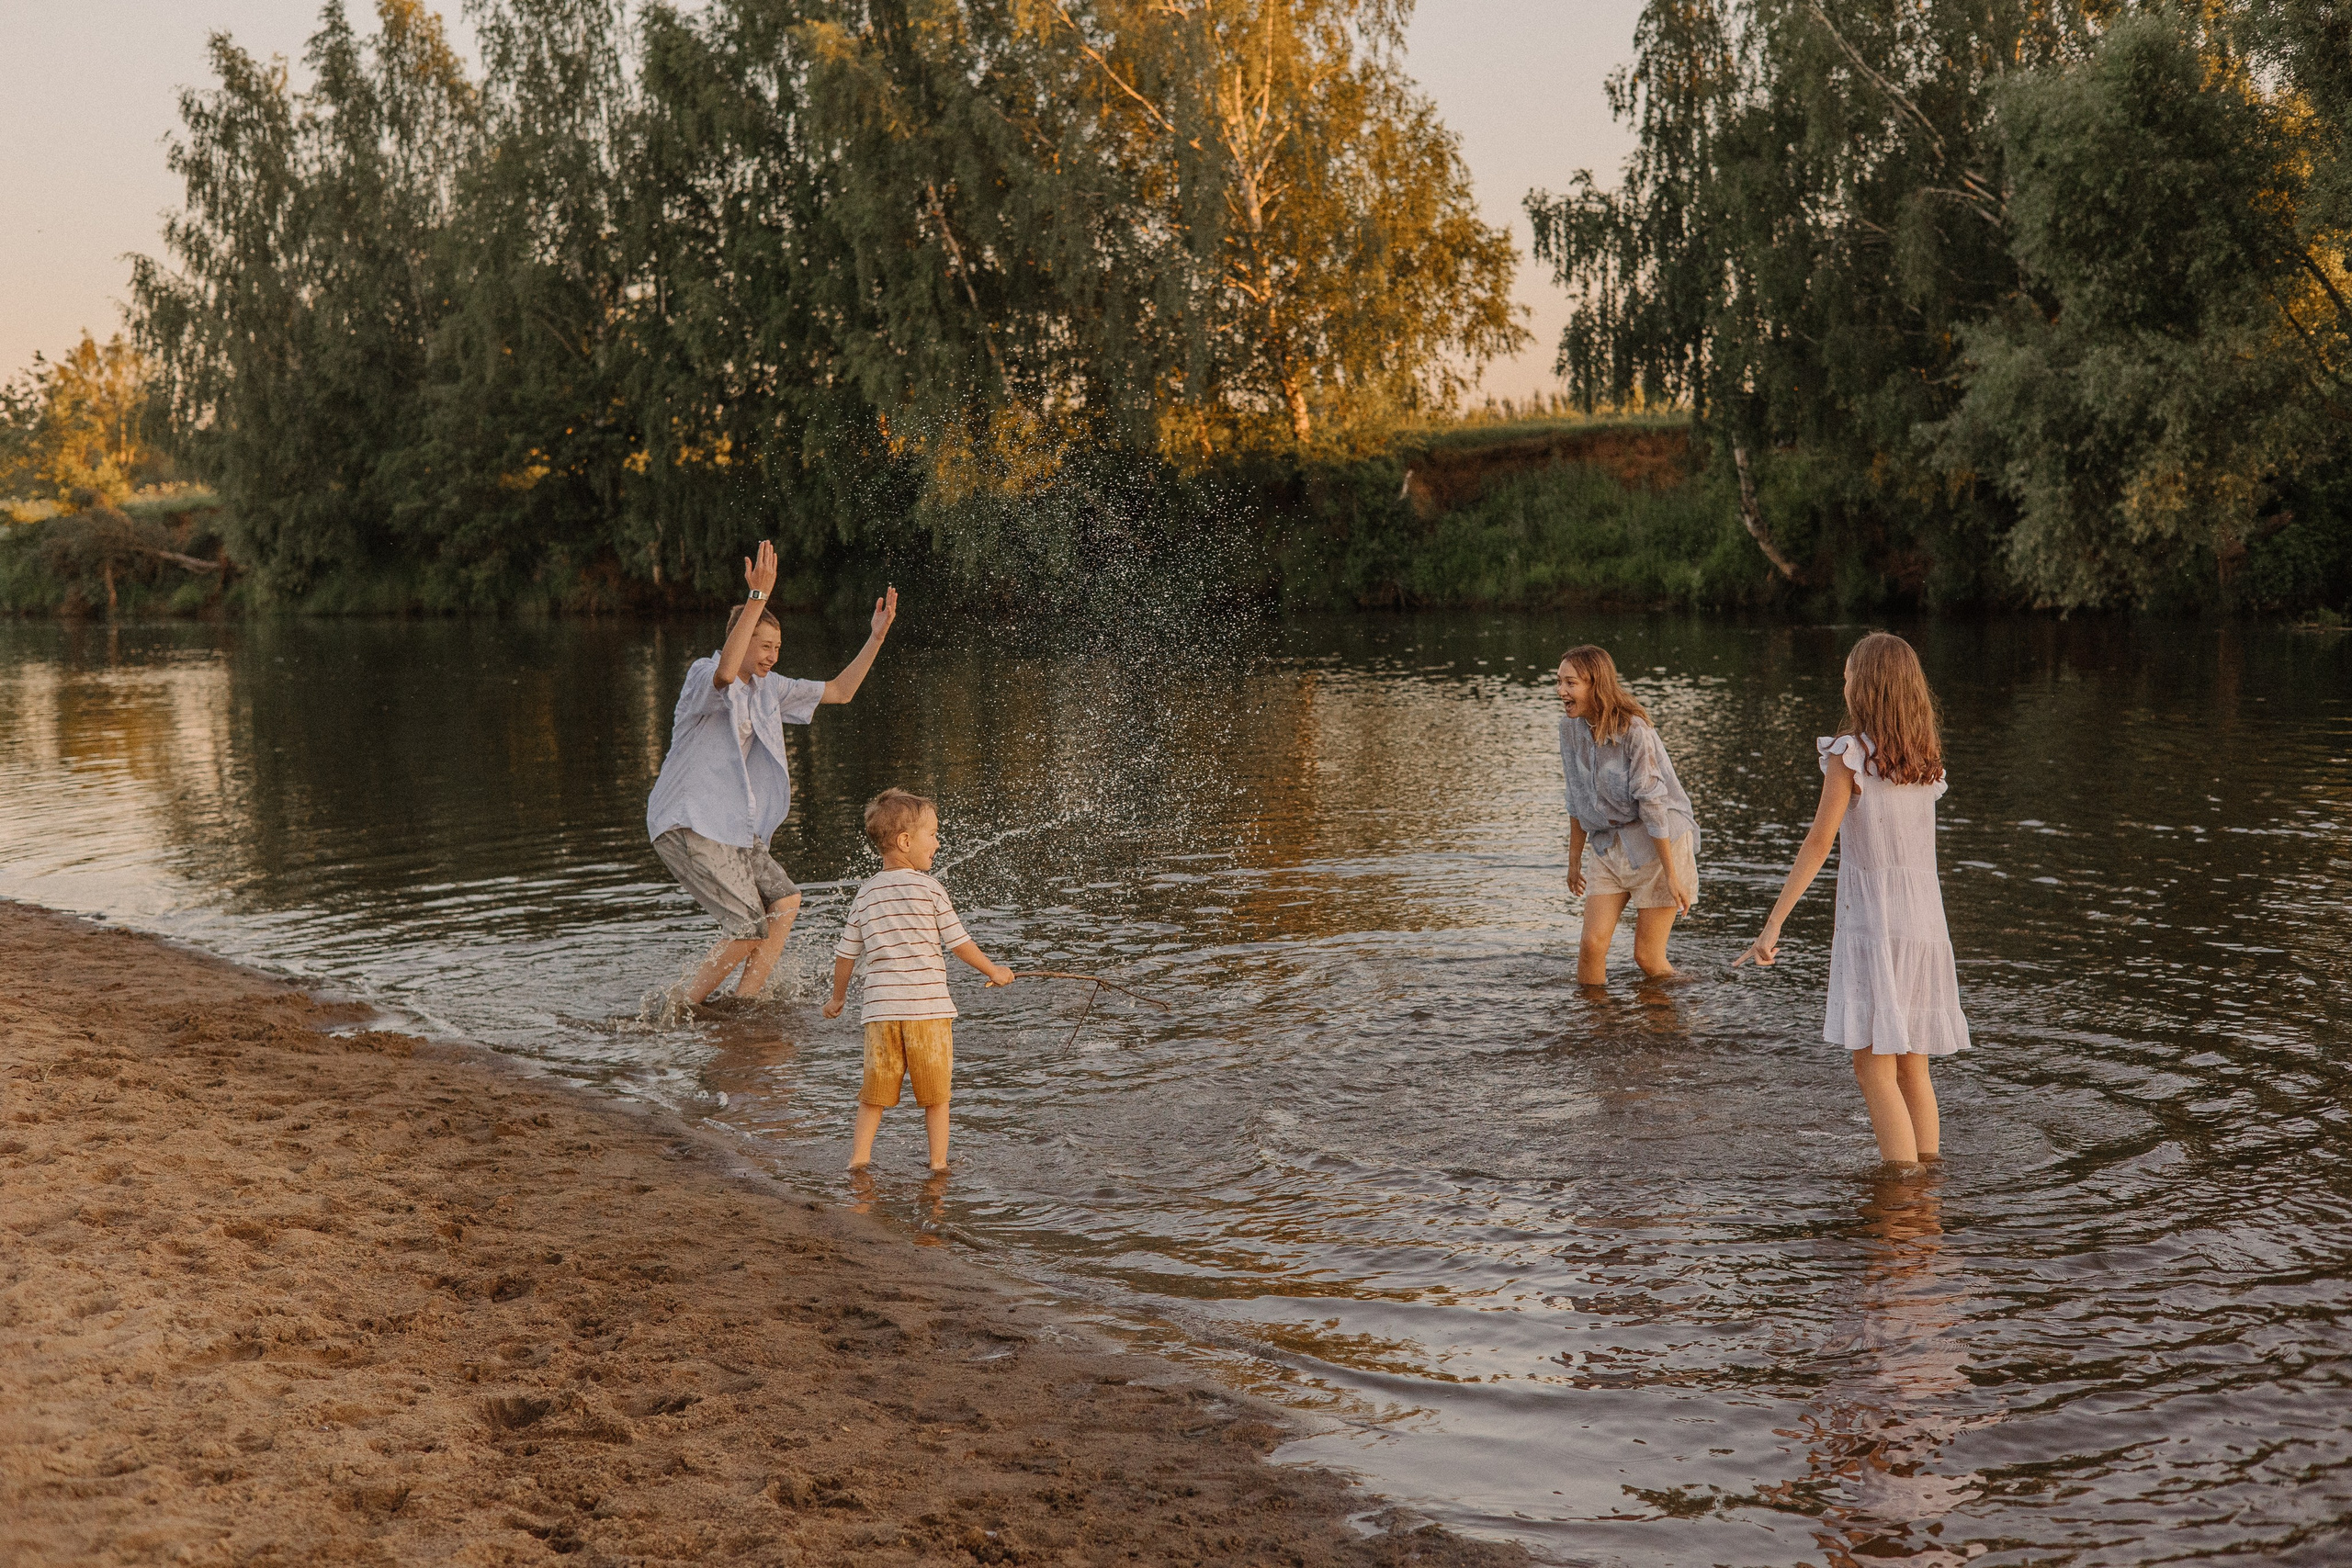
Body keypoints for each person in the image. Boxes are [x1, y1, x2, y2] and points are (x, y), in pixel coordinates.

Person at [1735, 631, 1970, 1169]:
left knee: (1873, 1071)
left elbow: (1819, 842)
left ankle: (1902, 1189)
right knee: (1914, 1070)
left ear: (1864, 686)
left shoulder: (1851, 754)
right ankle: (1927, 1188)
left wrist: (1773, 924)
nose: (1842, 683)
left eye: (1847, 674)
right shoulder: (1924, 758)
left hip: (1875, 922)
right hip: (1925, 925)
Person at [646, 540, 898, 1005]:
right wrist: (758, 596)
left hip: (732, 826)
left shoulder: (769, 688)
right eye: (765, 646)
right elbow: (726, 674)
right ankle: (679, 1008)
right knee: (746, 928)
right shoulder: (703, 675)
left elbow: (840, 691)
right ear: (741, 640)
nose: (773, 656)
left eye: (777, 648)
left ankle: (745, 1003)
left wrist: (876, 638)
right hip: (687, 822)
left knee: (785, 902)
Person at [823, 788, 1016, 1172]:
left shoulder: (865, 894)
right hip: (927, 1012)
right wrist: (994, 970)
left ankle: (858, 1160)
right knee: (936, 1097)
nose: (938, 843)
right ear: (905, 842)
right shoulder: (930, 889)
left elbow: (846, 955)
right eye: (933, 834)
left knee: (873, 1095)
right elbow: (959, 944)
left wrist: (837, 998)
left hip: (881, 1014)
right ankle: (938, 1164)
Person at [1558, 644, 1701, 983]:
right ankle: (1593, 1016)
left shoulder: (1634, 731)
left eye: (1571, 683)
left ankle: (1691, 1002)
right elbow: (1576, 796)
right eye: (1559, 681)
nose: (1561, 691)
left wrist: (1672, 874)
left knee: (1647, 958)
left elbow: (1653, 805)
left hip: (1659, 845)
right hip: (1608, 845)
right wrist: (1574, 862)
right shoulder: (1569, 729)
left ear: (1596, 685)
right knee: (1591, 946)